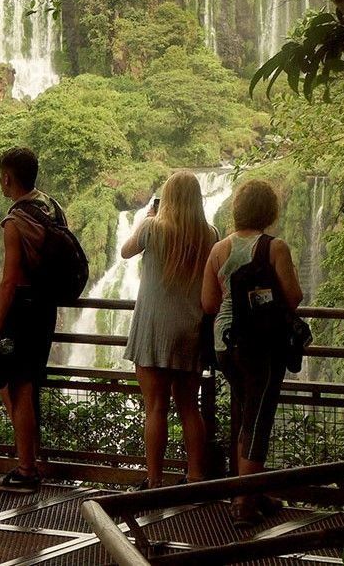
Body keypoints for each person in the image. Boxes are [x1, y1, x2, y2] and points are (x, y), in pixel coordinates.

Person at [202, 179, 302, 528]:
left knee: (247, 413)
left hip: (224, 345)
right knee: (258, 421)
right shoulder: (275, 248)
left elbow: (209, 302)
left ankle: (254, 491)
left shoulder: (219, 249)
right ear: (269, 212)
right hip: (261, 346)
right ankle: (244, 502)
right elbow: (294, 296)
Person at [121, 171, 218, 489]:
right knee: (190, 406)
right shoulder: (210, 234)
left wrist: (149, 216)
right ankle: (195, 476)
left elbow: (125, 251)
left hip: (153, 328)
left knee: (156, 407)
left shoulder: (152, 227)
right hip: (190, 329)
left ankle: (155, 479)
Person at [0, 147, 65, 494]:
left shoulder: (15, 222)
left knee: (17, 387)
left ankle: (26, 469)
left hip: (23, 311)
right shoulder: (52, 207)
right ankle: (29, 459)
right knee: (25, 384)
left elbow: (9, 280)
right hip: (46, 309)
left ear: (7, 177)